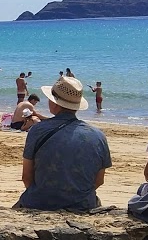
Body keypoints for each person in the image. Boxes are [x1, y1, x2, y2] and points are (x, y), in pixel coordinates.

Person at [15, 76, 111, 212]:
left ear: (55, 104)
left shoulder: (38, 130)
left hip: (40, 202)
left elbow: (27, 177)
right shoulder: (98, 135)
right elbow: (99, 181)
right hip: (83, 204)